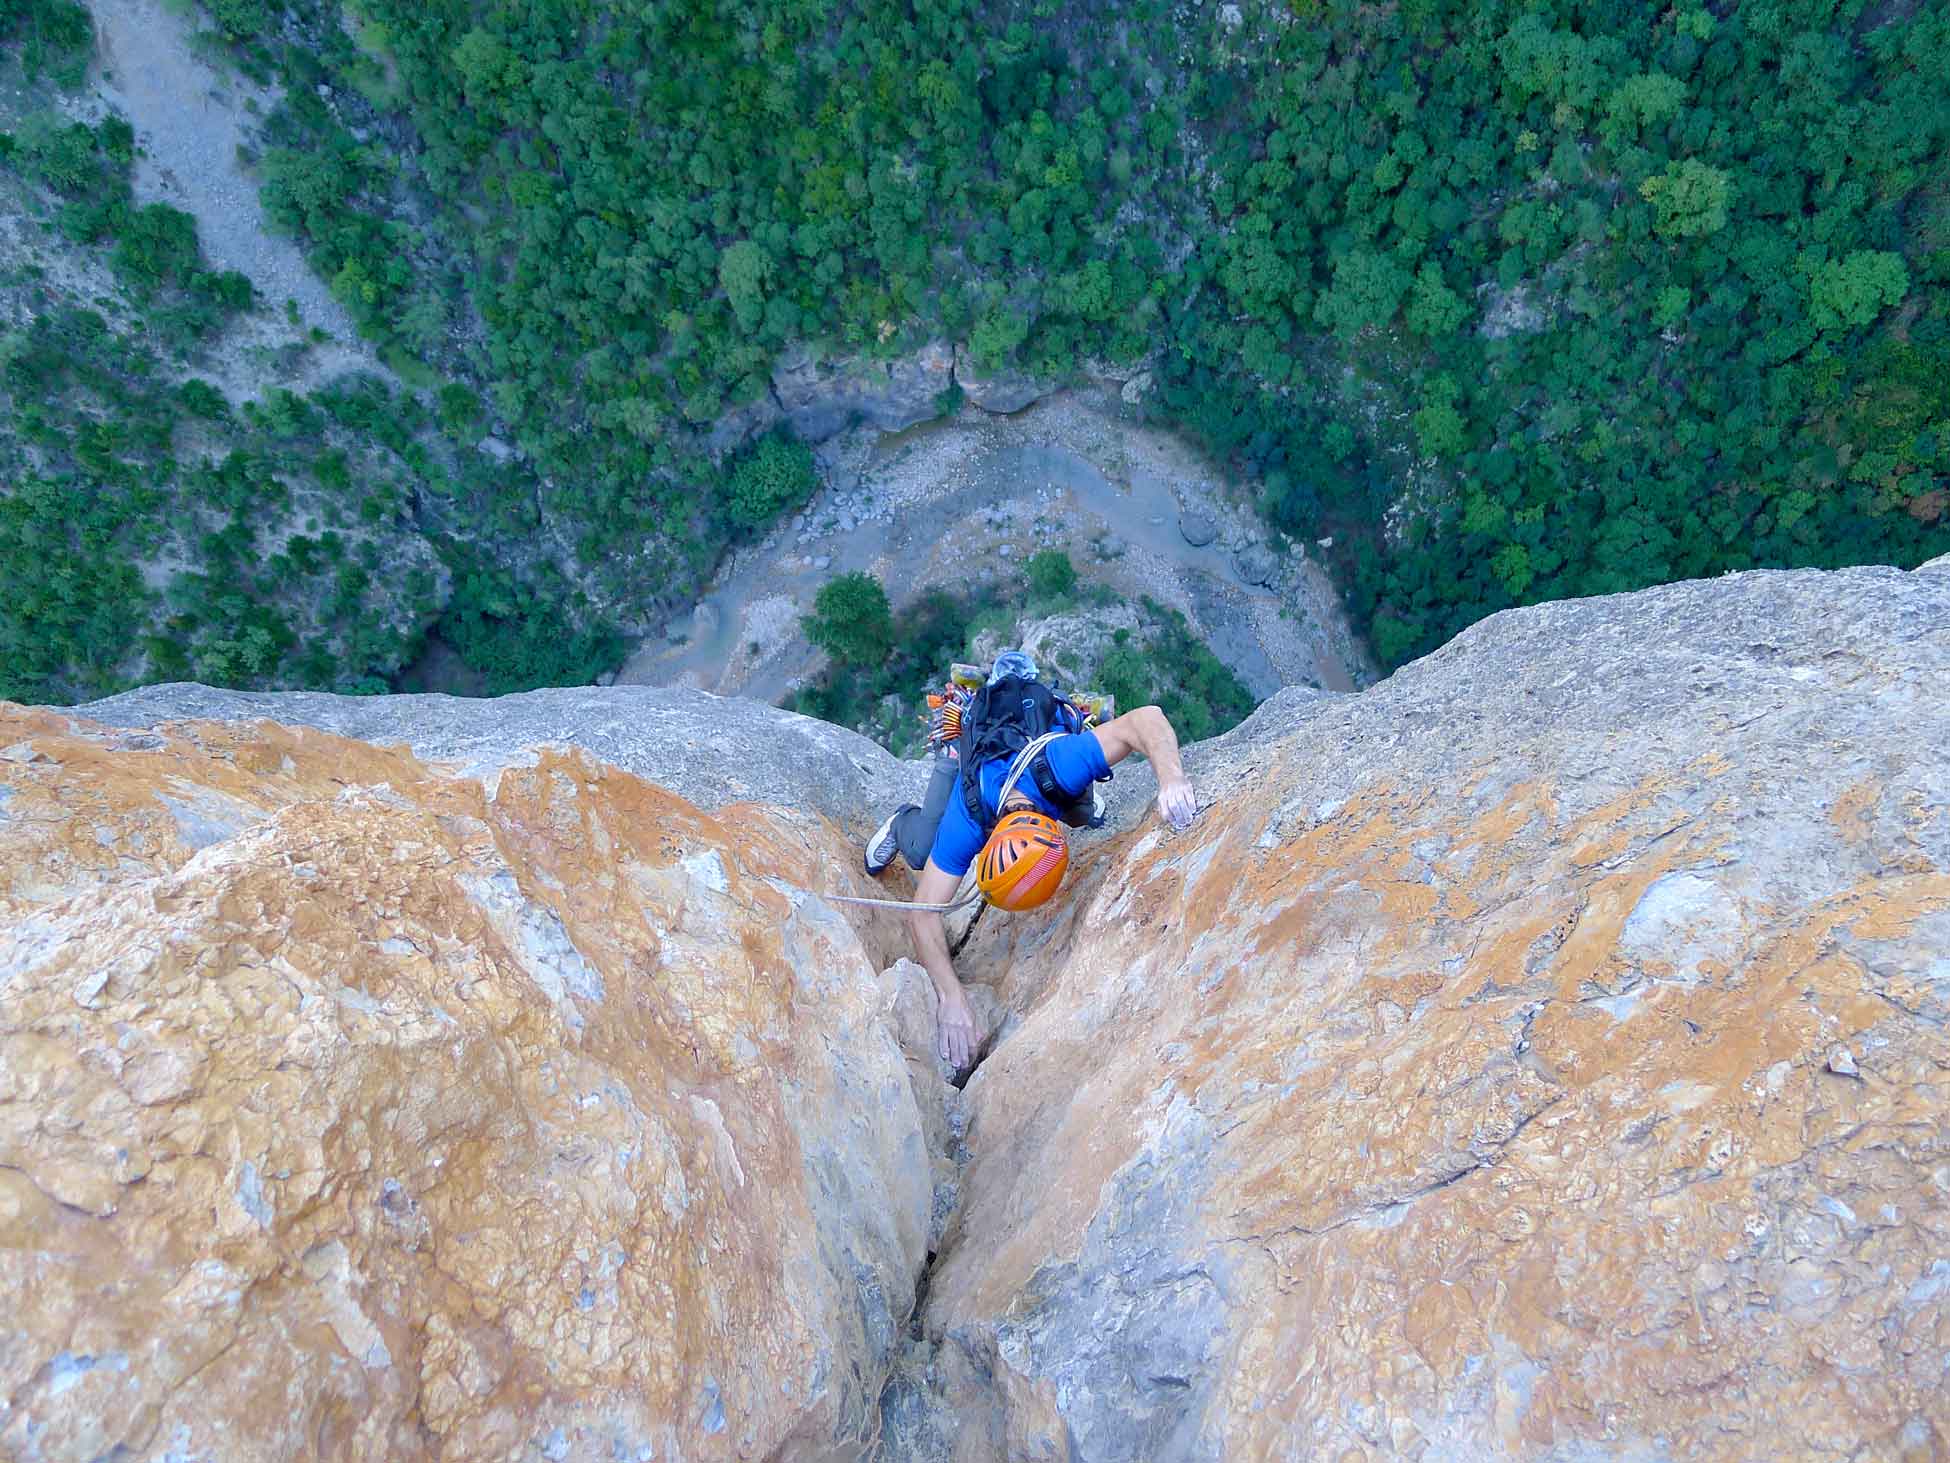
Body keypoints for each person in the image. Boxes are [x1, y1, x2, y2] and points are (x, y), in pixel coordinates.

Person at [863, 650, 1198, 1068]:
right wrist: (952, 997)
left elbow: (1146, 718)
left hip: (1040, 752)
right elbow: (923, 913)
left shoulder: (1058, 766)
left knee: (1081, 809)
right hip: (972, 748)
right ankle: (901, 822)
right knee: (919, 851)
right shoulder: (968, 818)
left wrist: (1172, 781)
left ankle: (1071, 758)